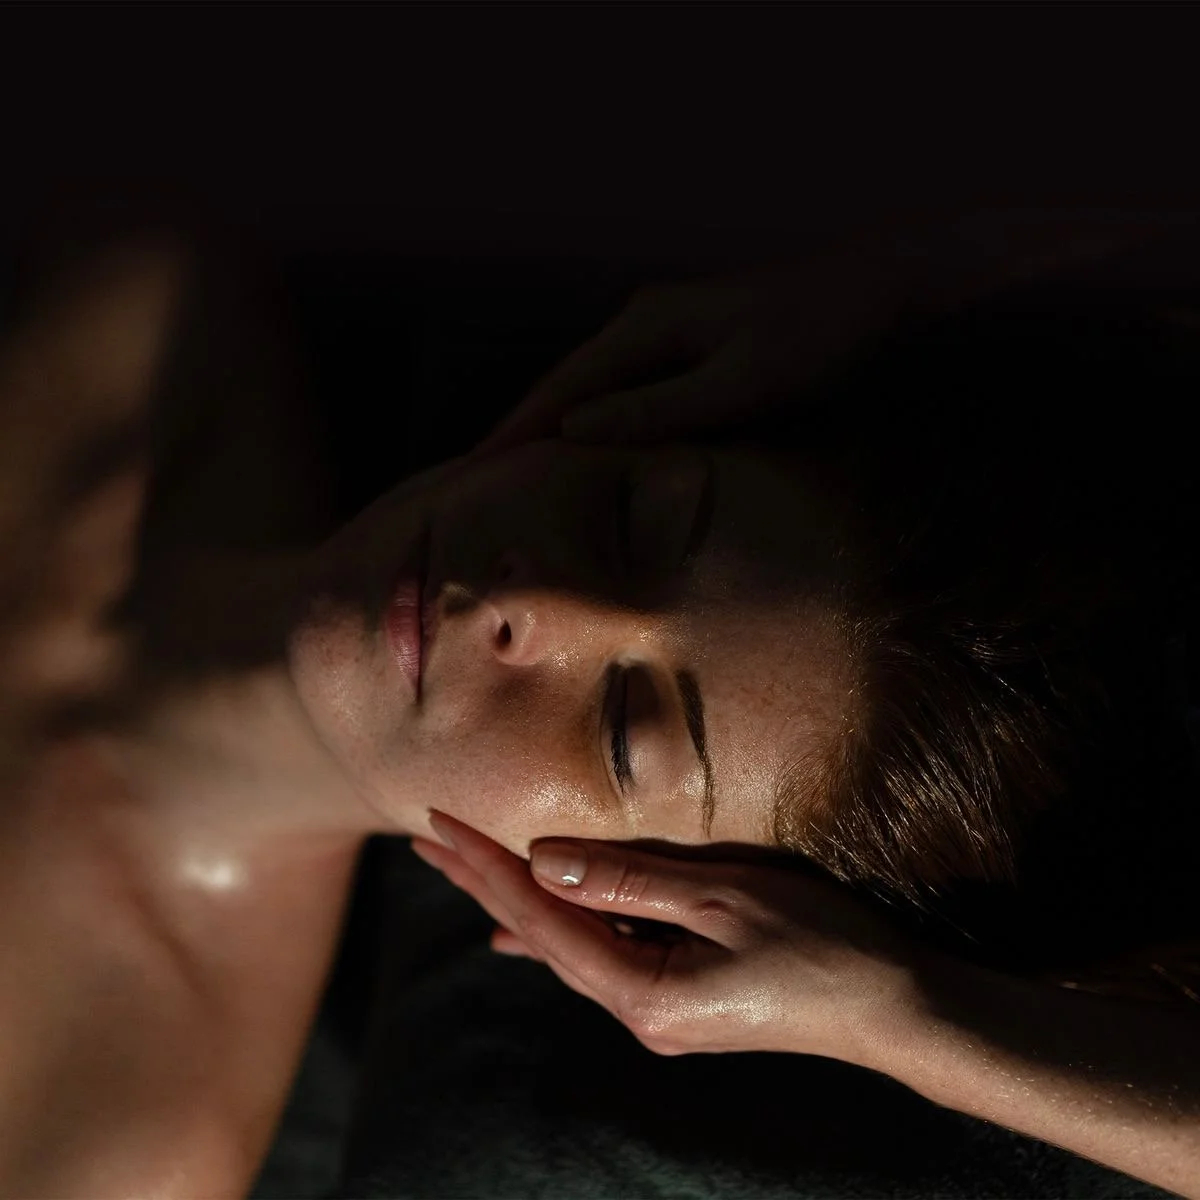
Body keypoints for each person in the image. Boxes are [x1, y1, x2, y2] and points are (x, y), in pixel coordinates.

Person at [0, 213, 1196, 1198]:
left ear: (633, 912)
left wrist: (913, 1022)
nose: (534, 610)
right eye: (631, 522)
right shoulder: (154, 267)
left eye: (625, 731)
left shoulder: (106, 1140)